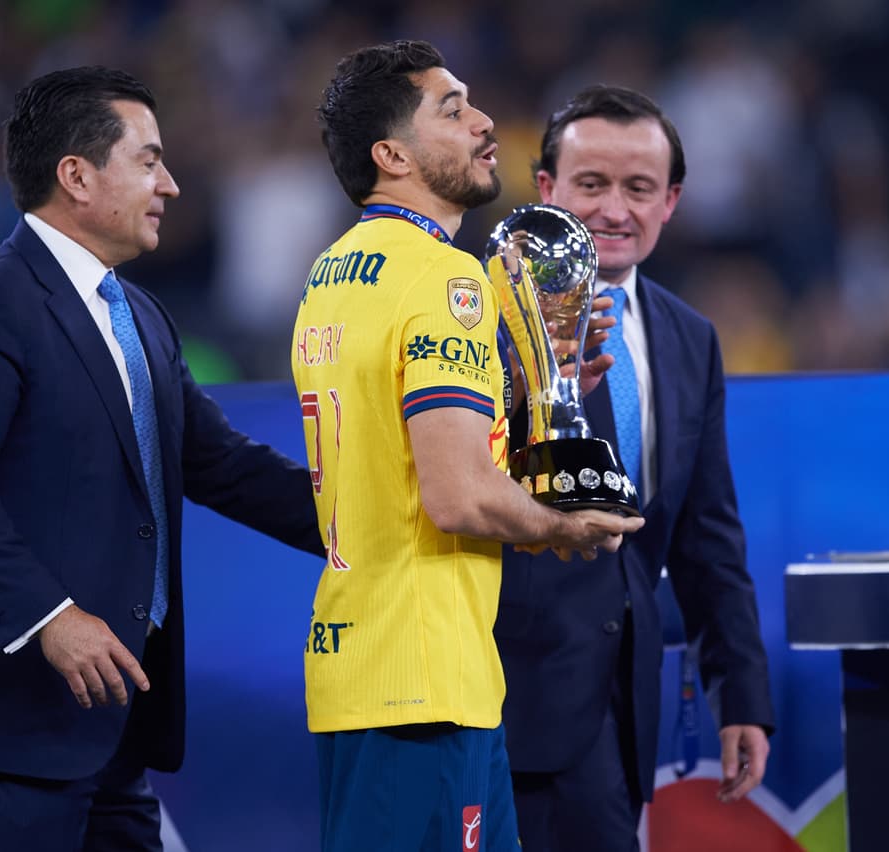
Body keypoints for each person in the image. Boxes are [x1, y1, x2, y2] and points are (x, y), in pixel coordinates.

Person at [0, 66, 323, 851]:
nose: (172, 185)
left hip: (116, 736)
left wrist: (378, 519)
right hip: (6, 735)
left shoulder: (143, 316)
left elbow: (219, 463)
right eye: (150, 160)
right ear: (77, 176)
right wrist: (48, 617)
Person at [297, 42, 645, 852]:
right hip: (424, 676)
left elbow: (409, 451)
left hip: (368, 662)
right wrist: (565, 526)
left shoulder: (334, 271)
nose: (485, 123)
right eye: (451, 110)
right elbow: (456, 493)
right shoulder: (445, 280)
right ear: (392, 155)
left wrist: (530, 383)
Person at [495, 84, 775, 852]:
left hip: (621, 711)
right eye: (592, 185)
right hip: (496, 702)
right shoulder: (475, 317)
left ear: (671, 202)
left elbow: (708, 536)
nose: (614, 209)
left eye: (638, 188)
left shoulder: (691, 338)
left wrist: (740, 693)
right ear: (547, 190)